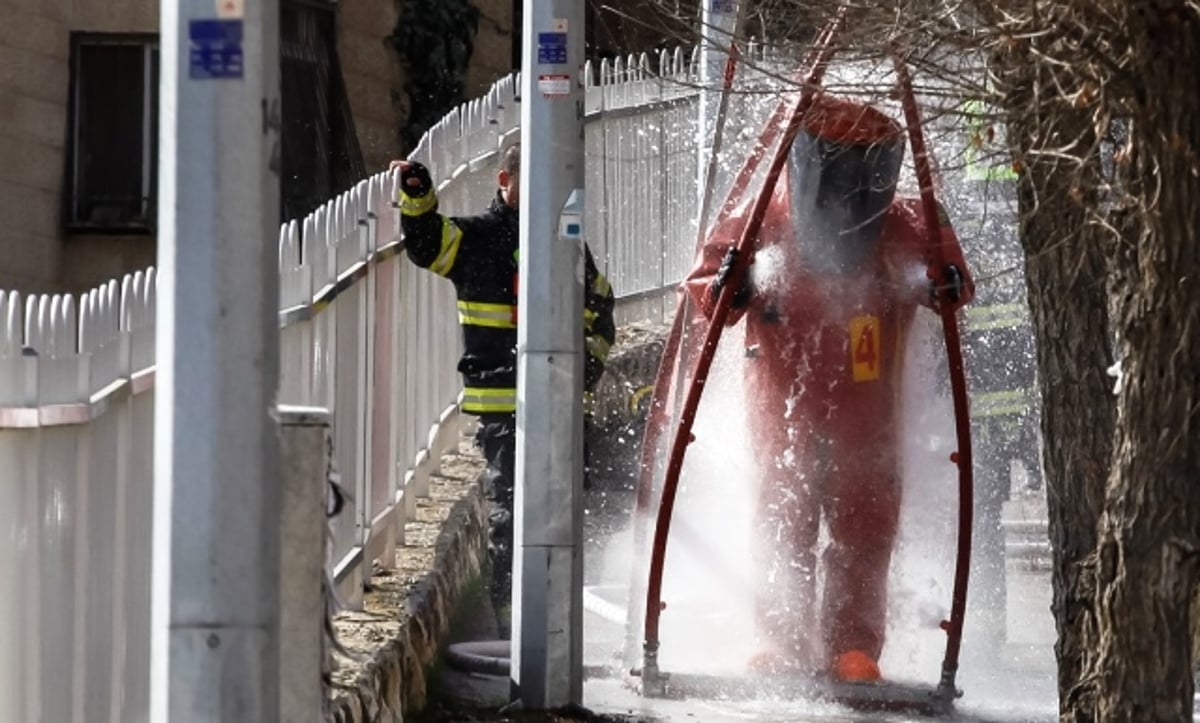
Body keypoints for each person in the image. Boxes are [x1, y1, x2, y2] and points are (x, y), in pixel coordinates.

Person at [684, 94, 974, 683]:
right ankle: (779, 641)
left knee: (865, 530)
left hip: (870, 420)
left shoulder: (913, 221)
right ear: (809, 163)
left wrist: (944, 284)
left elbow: (954, 283)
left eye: (863, 173)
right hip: (783, 410)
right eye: (837, 170)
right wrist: (727, 289)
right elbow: (706, 285)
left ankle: (853, 648)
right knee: (780, 522)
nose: (847, 195)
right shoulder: (762, 216)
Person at [389, 144, 616, 639]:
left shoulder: (566, 239)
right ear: (504, 180)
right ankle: (514, 632)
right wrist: (417, 195)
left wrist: (585, 373)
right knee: (512, 515)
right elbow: (427, 245)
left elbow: (599, 303)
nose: (543, 192)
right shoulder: (478, 238)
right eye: (531, 179)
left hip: (563, 406)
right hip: (504, 408)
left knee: (563, 514)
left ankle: (559, 628)